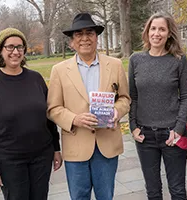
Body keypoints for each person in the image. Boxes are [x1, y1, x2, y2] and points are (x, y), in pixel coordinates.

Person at [47, 13, 130, 200]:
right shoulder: (59, 71)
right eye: (79, 34)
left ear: (96, 38)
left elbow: (125, 98)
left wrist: (116, 111)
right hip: (76, 145)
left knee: (105, 196)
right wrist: (74, 119)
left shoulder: (115, 65)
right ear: (72, 42)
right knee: (79, 197)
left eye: (89, 33)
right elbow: (53, 108)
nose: (84, 38)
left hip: (106, 145)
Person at [0, 28, 62, 200]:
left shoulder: (36, 79)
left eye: (20, 47)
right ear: (1, 50)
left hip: (41, 156)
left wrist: (56, 148)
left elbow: (48, 118)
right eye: (10, 47)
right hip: (9, 161)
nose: (15, 52)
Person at [129, 13, 187, 200]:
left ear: (169, 33)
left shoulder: (178, 60)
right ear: (147, 32)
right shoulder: (136, 60)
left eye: (162, 29)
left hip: (172, 135)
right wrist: (133, 126)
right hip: (145, 136)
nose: (157, 33)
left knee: (177, 190)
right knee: (153, 191)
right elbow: (133, 96)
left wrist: (179, 129)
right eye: (153, 28)